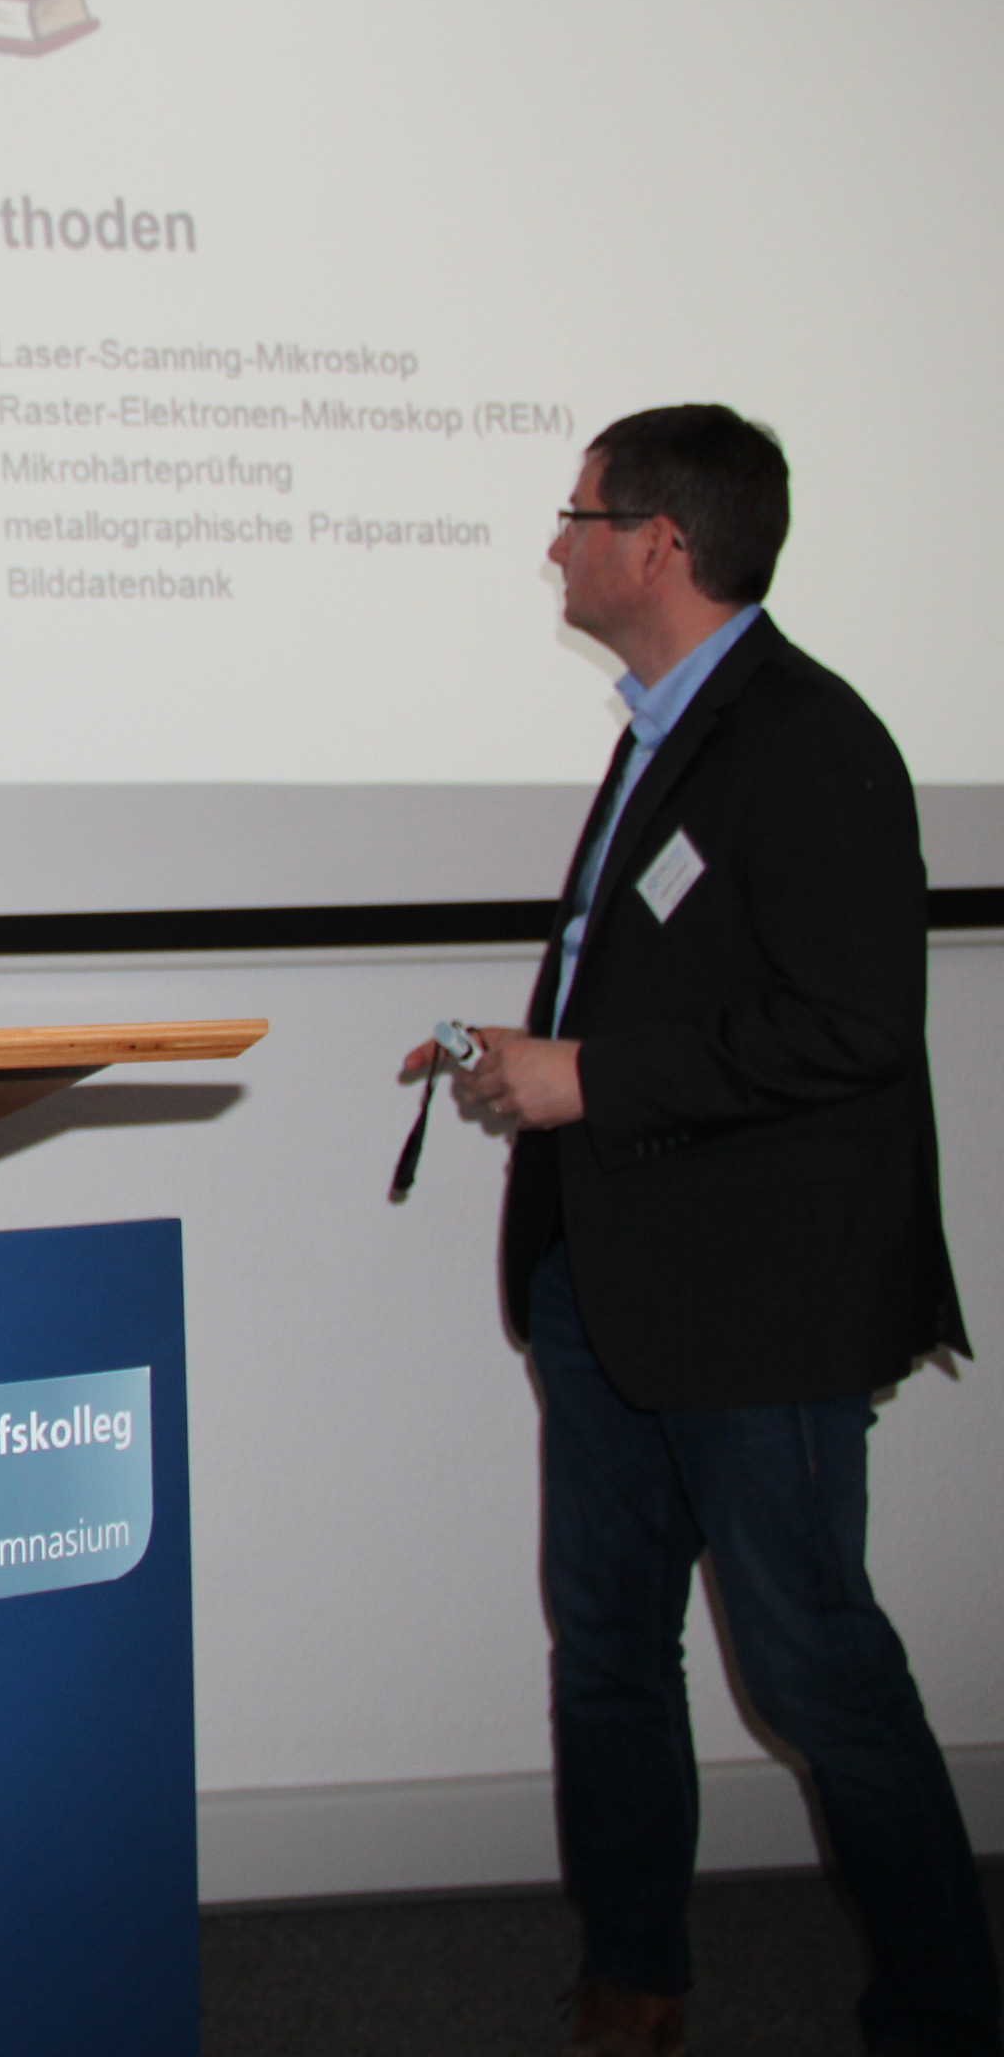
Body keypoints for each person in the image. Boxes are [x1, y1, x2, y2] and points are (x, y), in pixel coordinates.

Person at [404, 405, 988, 2057]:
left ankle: (946, 2009)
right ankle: (635, 1979)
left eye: (578, 513)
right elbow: (685, 986)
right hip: (608, 1281)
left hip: (758, 1310)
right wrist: (529, 1060)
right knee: (607, 1651)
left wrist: (588, 1075)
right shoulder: (665, 732)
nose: (554, 544)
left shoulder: (808, 739)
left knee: (814, 1673)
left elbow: (853, 1026)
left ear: (660, 544)